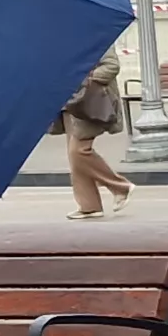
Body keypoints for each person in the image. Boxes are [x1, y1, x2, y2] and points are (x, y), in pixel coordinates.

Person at [60, 54, 133, 220]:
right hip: (70, 103)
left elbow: (111, 66)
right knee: (74, 156)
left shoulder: (93, 39)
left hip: (88, 101)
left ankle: (120, 187)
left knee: (79, 151)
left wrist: (82, 80)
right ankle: (89, 206)